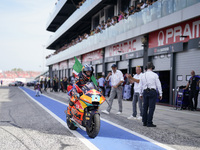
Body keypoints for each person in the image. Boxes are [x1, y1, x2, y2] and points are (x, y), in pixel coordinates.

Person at [139, 62, 162, 127]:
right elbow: (158, 85)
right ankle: (149, 122)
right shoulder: (155, 75)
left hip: (145, 92)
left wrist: (140, 93)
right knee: (151, 108)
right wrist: (160, 93)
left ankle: (144, 122)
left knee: (145, 107)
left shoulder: (143, 75)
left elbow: (140, 85)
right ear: (152, 67)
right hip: (152, 92)